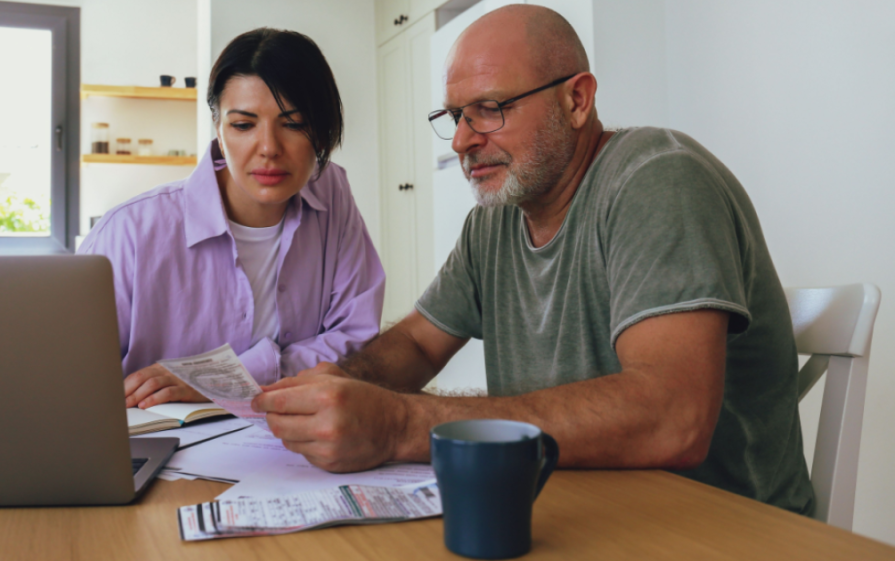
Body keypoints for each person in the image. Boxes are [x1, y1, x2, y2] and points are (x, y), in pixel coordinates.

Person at [252, 4, 815, 515]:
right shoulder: (494, 221)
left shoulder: (658, 180)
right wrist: (344, 382)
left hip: (723, 529)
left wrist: (399, 423)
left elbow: (672, 418)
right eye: (455, 116)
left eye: (490, 108)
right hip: (583, 510)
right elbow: (420, 343)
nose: (461, 142)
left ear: (577, 99)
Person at [79, 28, 384, 408]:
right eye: (243, 125)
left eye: (293, 123)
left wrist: (220, 379)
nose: (269, 148)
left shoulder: (331, 192)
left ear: (321, 131)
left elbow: (354, 337)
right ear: (218, 130)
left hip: (288, 441)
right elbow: (71, 377)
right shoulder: (129, 233)